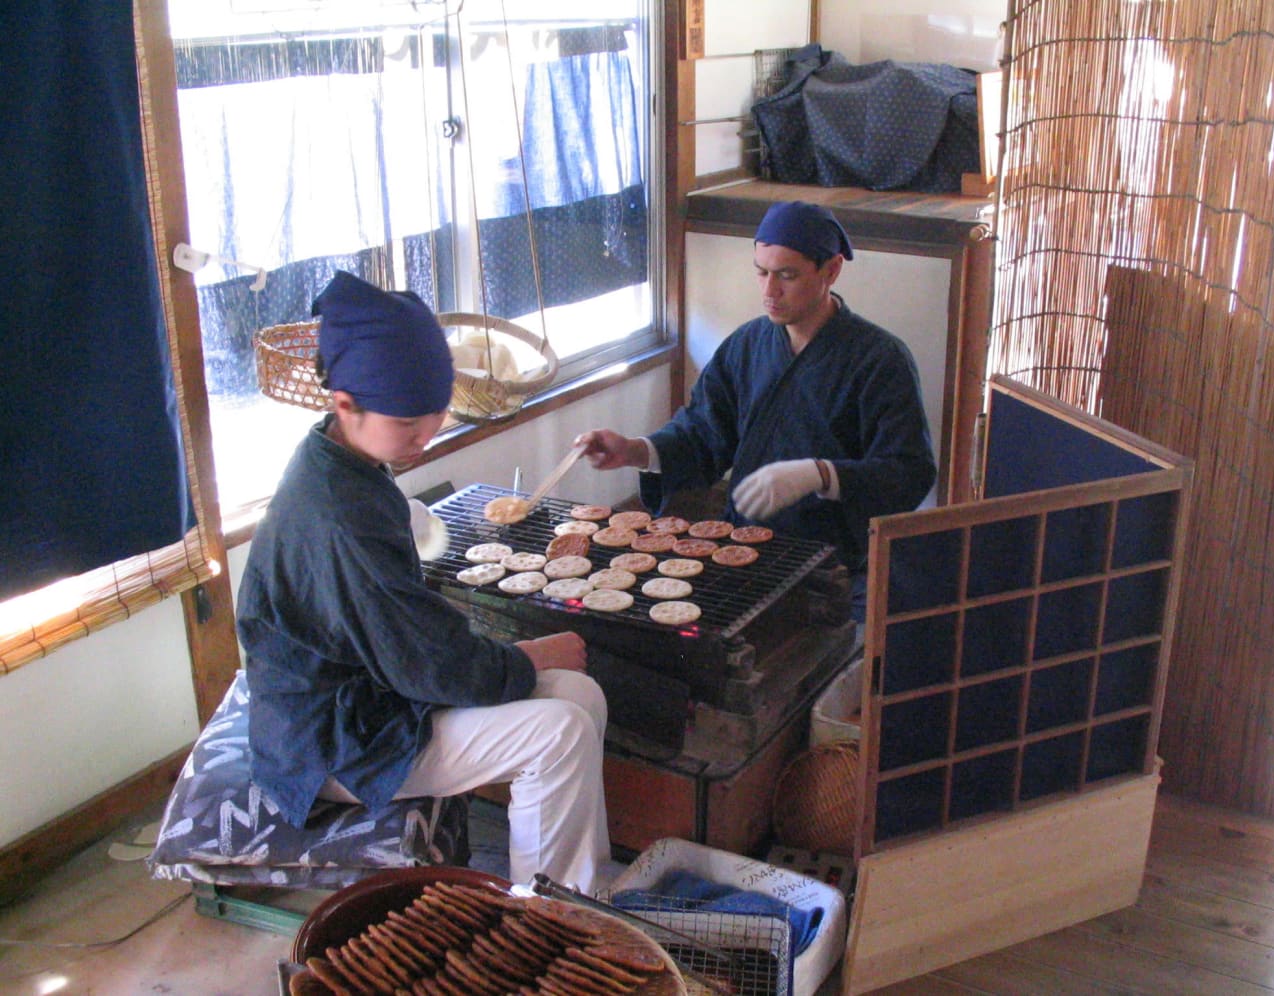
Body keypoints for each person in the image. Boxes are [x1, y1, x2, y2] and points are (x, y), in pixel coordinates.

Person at [236, 270, 613, 893]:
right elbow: (425, 664)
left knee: (582, 694)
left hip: (368, 698)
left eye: (434, 417)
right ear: (344, 403)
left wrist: (526, 664)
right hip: (327, 738)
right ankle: (548, 919)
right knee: (559, 732)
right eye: (408, 425)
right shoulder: (336, 514)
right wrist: (525, 657)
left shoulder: (343, 458)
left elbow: (403, 639)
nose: (425, 437)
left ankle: (584, 891)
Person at [577, 201, 936, 619]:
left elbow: (909, 470)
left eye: (787, 275)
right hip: (741, 546)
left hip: (834, 565)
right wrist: (635, 450)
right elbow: (703, 433)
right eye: (761, 272)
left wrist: (819, 474)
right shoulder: (748, 345)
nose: (769, 291)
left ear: (831, 271)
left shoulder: (880, 359)